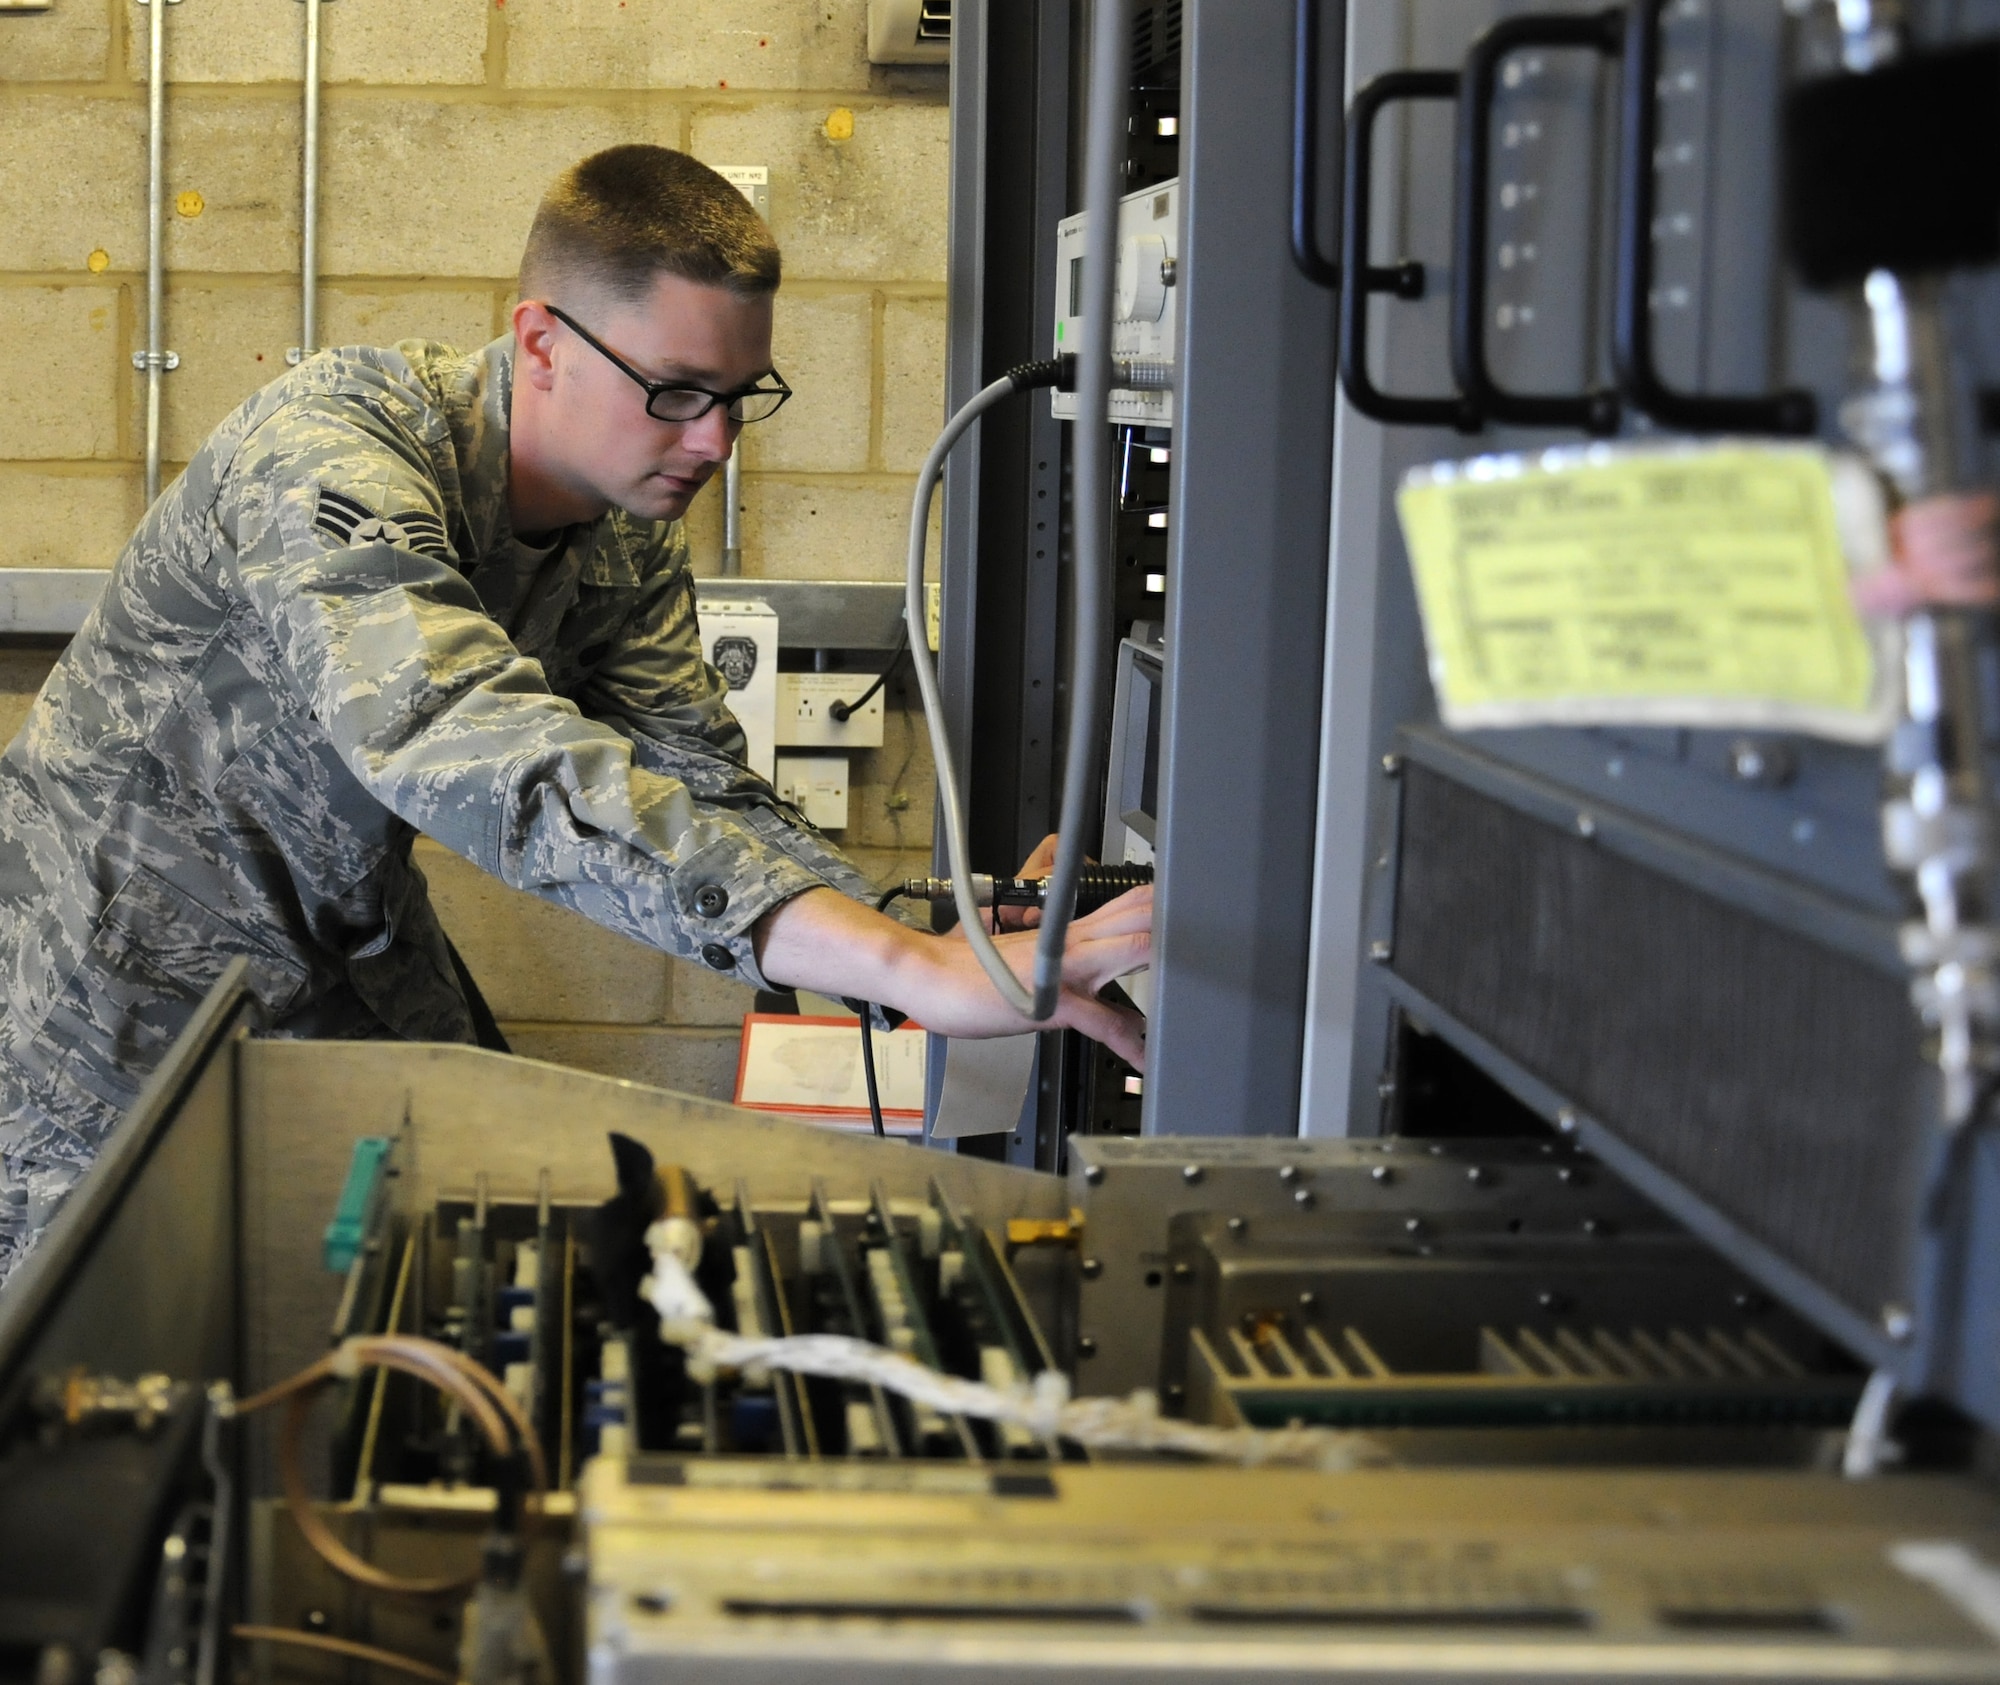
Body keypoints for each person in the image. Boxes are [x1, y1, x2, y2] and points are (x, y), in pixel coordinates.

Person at [0, 145, 1150, 1286]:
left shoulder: (623, 530)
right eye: (676, 392)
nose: (714, 442)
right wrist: (904, 967)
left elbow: (700, 781)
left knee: (477, 1245)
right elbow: (464, 738)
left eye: (738, 398)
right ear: (542, 340)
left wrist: (926, 936)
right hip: (99, 986)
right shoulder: (327, 453)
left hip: (334, 943)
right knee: (117, 1343)